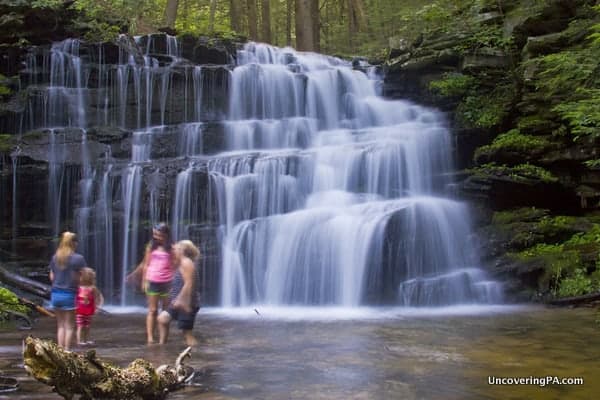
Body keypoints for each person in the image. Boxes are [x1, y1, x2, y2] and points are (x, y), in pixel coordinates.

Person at [158, 240, 201, 346]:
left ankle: (196, 353)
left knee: (187, 333)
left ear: (182, 250)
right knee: (162, 319)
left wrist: (182, 300)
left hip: (187, 303)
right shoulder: (181, 262)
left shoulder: (187, 262)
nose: (174, 250)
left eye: (176, 248)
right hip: (178, 302)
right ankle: (162, 345)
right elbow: (179, 282)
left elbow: (189, 283)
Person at [138, 223, 175, 344]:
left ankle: (163, 339)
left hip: (167, 282)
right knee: (152, 310)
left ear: (166, 235)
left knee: (165, 312)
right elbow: (146, 264)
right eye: (155, 234)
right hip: (153, 280)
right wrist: (144, 281)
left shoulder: (172, 248)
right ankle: (150, 337)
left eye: (159, 234)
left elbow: (174, 266)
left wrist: (174, 283)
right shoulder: (151, 246)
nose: (156, 237)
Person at [48, 231, 86, 350]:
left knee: (60, 325)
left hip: (55, 294)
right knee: (69, 326)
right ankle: (67, 351)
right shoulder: (78, 259)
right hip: (69, 294)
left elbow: (52, 277)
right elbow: (82, 277)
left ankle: (59, 350)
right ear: (74, 243)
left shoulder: (55, 257)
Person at [76, 267, 104, 346]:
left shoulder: (93, 288)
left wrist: (98, 306)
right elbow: (75, 299)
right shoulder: (79, 288)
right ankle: (79, 341)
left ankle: (86, 340)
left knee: (87, 326)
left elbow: (99, 297)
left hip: (88, 311)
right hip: (80, 311)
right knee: (80, 326)